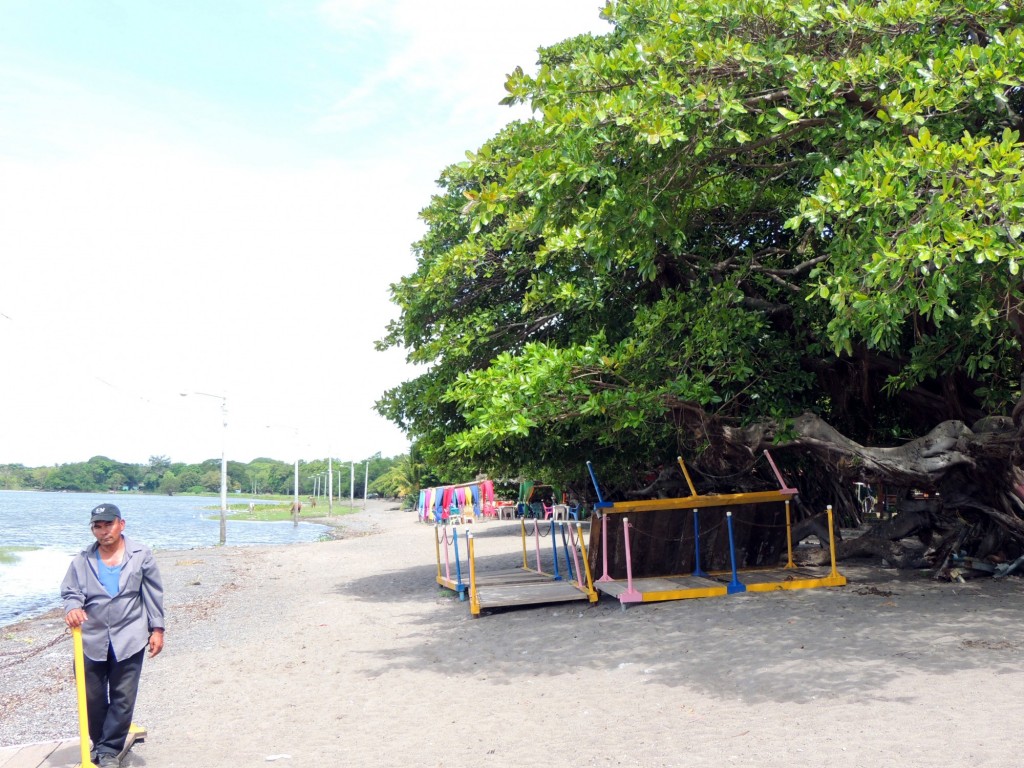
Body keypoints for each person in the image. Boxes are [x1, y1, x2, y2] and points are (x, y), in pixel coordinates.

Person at [61, 503, 165, 768]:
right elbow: (71, 591)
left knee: (123, 697)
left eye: (108, 524)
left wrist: (157, 629)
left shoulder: (141, 555)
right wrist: (73, 608)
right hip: (90, 638)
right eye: (97, 526)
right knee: (91, 696)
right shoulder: (82, 560)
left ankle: (108, 750)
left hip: (129, 635)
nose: (103, 531)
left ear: (121, 524)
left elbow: (153, 593)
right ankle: (101, 743)